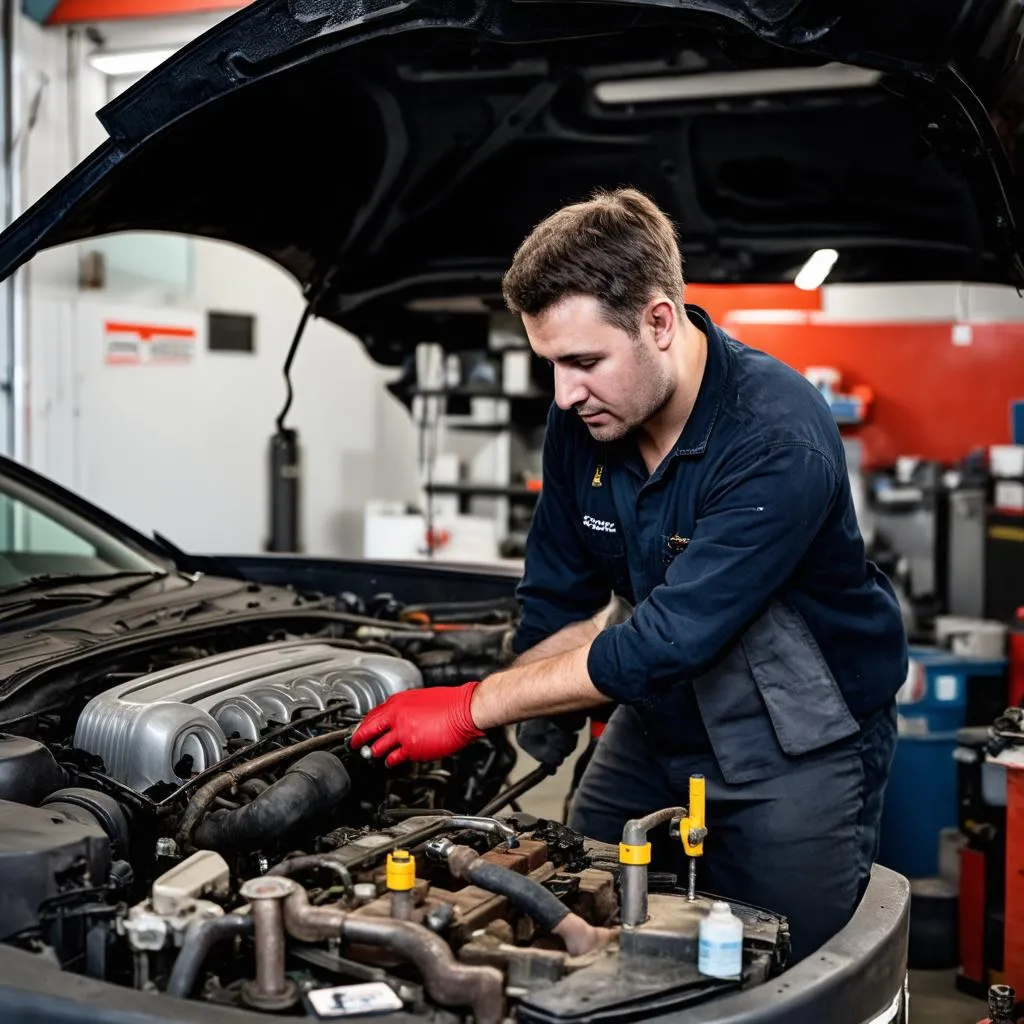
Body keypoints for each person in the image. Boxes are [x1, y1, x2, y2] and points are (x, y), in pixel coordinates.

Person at [352, 187, 908, 962]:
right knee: (569, 892)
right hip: (661, 709)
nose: (563, 393)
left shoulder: (776, 433)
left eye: (583, 361)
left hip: (797, 734)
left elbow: (665, 640)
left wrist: (473, 707)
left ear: (658, 321)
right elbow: (561, 590)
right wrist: (532, 719)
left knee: (787, 962)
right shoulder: (585, 417)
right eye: (549, 364)